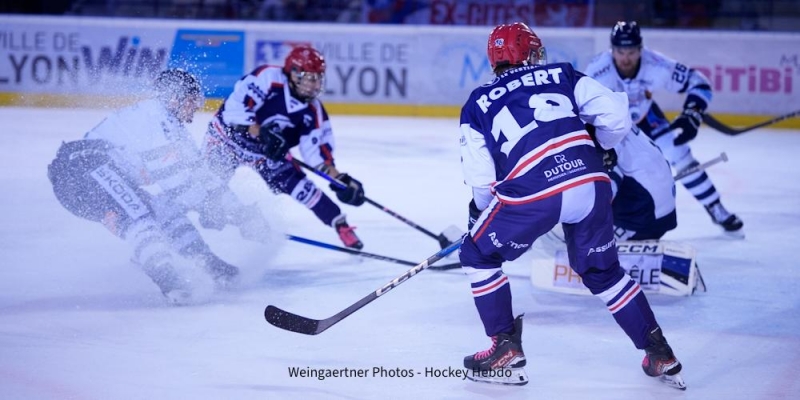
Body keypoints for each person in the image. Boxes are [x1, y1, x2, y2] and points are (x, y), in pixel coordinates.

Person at [458, 22, 685, 389]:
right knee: (604, 273)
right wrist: (599, 147)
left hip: (533, 191)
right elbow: (616, 117)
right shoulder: (561, 73)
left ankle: (503, 346)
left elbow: (482, 180)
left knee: (477, 256)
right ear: (531, 54)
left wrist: (480, 216)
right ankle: (658, 350)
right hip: (590, 182)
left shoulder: (476, 103)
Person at [48, 69, 270, 305]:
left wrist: (240, 212)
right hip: (81, 171)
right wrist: (210, 209)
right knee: (140, 218)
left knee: (165, 212)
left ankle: (209, 264)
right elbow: (176, 184)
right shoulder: (156, 118)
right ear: (174, 98)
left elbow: (204, 177)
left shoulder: (172, 128)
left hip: (92, 178)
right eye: (190, 100)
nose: (195, 107)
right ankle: (167, 279)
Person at [584, 21, 743, 235]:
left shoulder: (656, 65)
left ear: (640, 49)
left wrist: (692, 113)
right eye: (620, 51)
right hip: (613, 124)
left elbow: (699, 83)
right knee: (609, 167)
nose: (626, 58)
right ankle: (599, 223)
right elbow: (582, 109)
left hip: (646, 117)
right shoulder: (598, 71)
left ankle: (716, 208)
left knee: (680, 155)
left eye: (631, 51)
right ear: (612, 50)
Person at [203, 44, 366, 250]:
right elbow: (233, 111)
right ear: (294, 73)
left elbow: (317, 156)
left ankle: (341, 225)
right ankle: (238, 219)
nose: (315, 84)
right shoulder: (268, 78)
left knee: (302, 187)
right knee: (206, 193)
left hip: (265, 154)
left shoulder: (313, 111)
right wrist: (260, 131)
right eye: (310, 77)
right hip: (226, 140)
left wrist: (340, 180)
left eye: (318, 78)